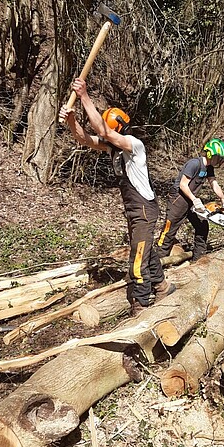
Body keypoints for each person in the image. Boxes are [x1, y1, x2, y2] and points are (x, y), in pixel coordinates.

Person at [59, 78, 175, 316]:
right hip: (133, 209)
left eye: (111, 130)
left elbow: (101, 130)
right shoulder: (113, 148)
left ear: (118, 129)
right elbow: (84, 138)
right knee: (145, 249)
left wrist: (84, 96)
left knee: (138, 256)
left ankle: (141, 303)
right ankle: (163, 286)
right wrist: (72, 120)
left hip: (144, 209)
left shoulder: (134, 145)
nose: (106, 134)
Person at [157, 139, 224, 261]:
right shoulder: (194, 164)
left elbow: (214, 184)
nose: (220, 161)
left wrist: (223, 199)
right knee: (168, 232)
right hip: (178, 200)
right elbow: (183, 184)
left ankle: (198, 258)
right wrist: (195, 200)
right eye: (218, 158)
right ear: (209, 154)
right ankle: (158, 263)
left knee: (202, 226)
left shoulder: (209, 168)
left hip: (191, 202)